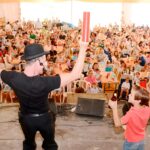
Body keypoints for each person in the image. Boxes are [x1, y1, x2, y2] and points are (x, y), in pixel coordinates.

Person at [0, 42, 88, 150]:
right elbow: (75, 74)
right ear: (38, 61)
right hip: (45, 119)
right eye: (44, 59)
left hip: (26, 119)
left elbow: (0, 72)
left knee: (29, 143)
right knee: (50, 145)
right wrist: (83, 48)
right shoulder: (46, 82)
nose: (46, 61)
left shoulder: (13, 77)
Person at [109, 85, 150, 150]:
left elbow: (117, 123)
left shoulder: (131, 113)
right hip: (141, 140)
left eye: (131, 94)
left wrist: (114, 108)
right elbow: (137, 122)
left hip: (131, 142)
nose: (129, 95)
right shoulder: (147, 109)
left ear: (138, 100)